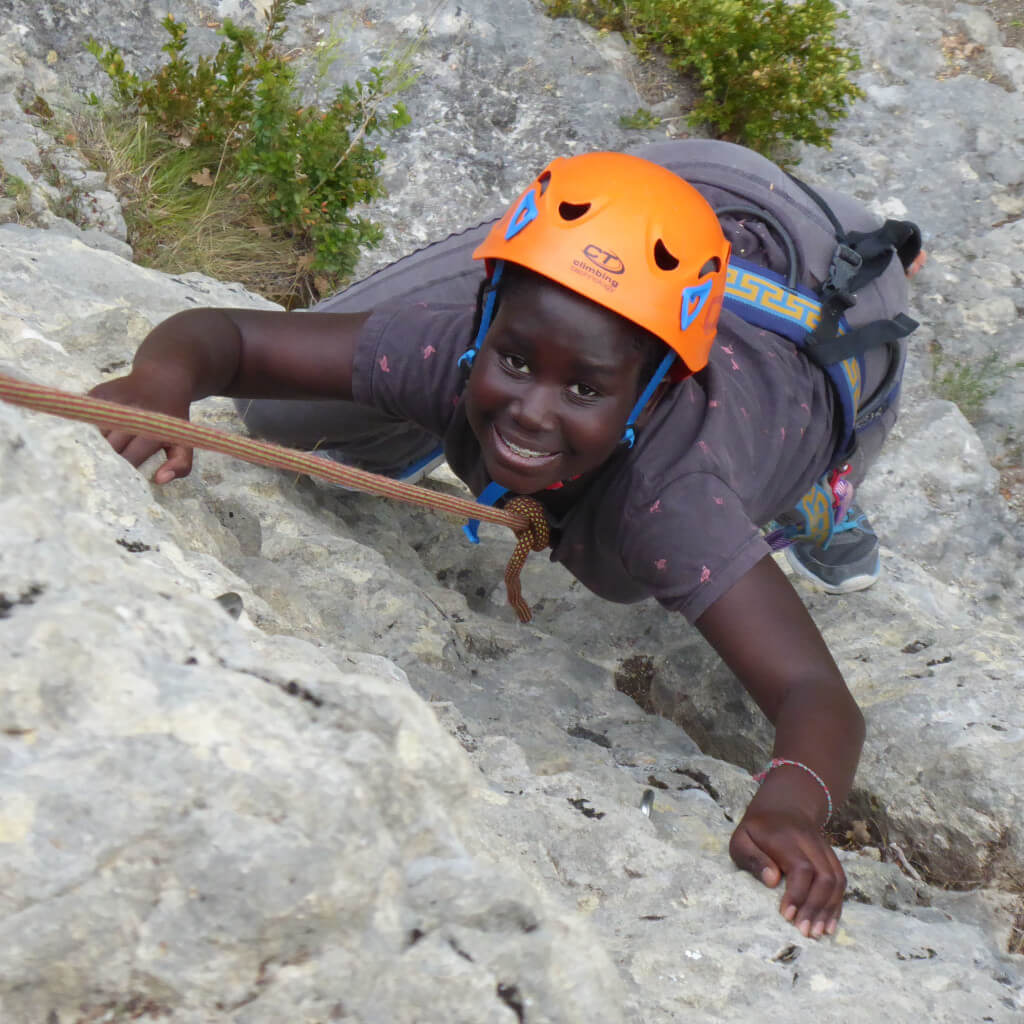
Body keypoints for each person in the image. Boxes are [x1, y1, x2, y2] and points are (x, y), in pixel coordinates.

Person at [90, 140, 924, 941]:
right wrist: (160, 385)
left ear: (653, 391)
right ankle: (488, 383)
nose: (532, 409)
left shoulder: (674, 503)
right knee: (284, 416)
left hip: (836, 285)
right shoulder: (460, 342)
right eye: (515, 362)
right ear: (485, 317)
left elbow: (817, 695)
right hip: (666, 196)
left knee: (619, 563)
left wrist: (791, 803)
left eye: (585, 389)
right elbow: (225, 341)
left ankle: (816, 498)